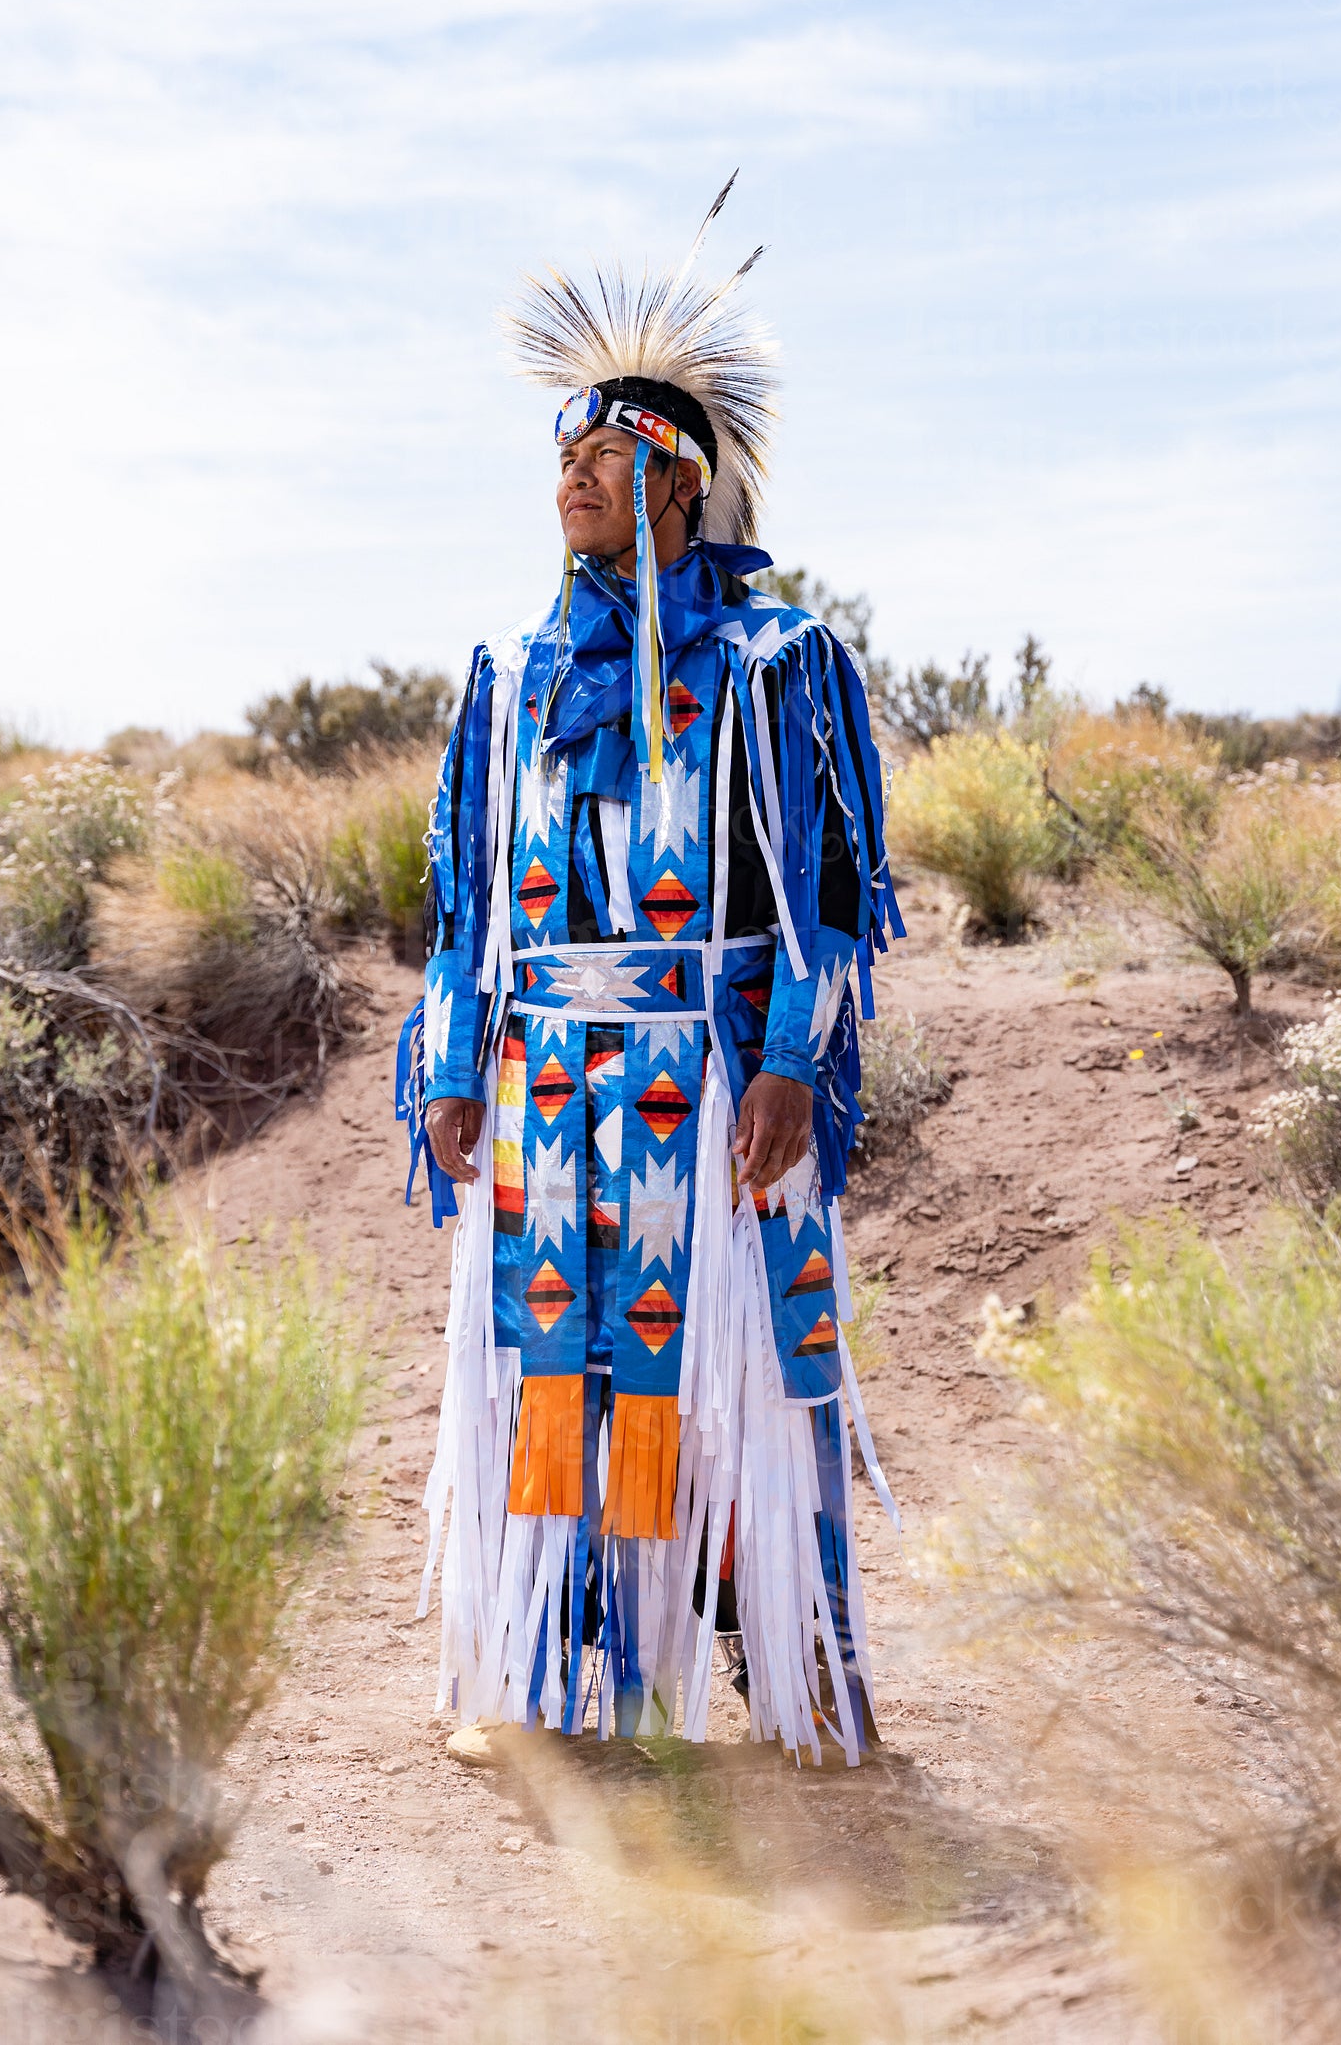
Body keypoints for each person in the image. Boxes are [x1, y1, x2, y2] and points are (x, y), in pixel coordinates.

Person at [397, 179, 903, 1765]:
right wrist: (450, 1062)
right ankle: (555, 1687)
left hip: (703, 1087)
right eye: (561, 455)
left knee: (730, 1381)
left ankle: (782, 1671)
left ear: (676, 482)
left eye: (603, 455)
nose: (572, 477)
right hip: (545, 1086)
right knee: (549, 1364)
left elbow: (825, 896)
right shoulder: (511, 678)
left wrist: (783, 1063)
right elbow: (465, 905)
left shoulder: (773, 671)